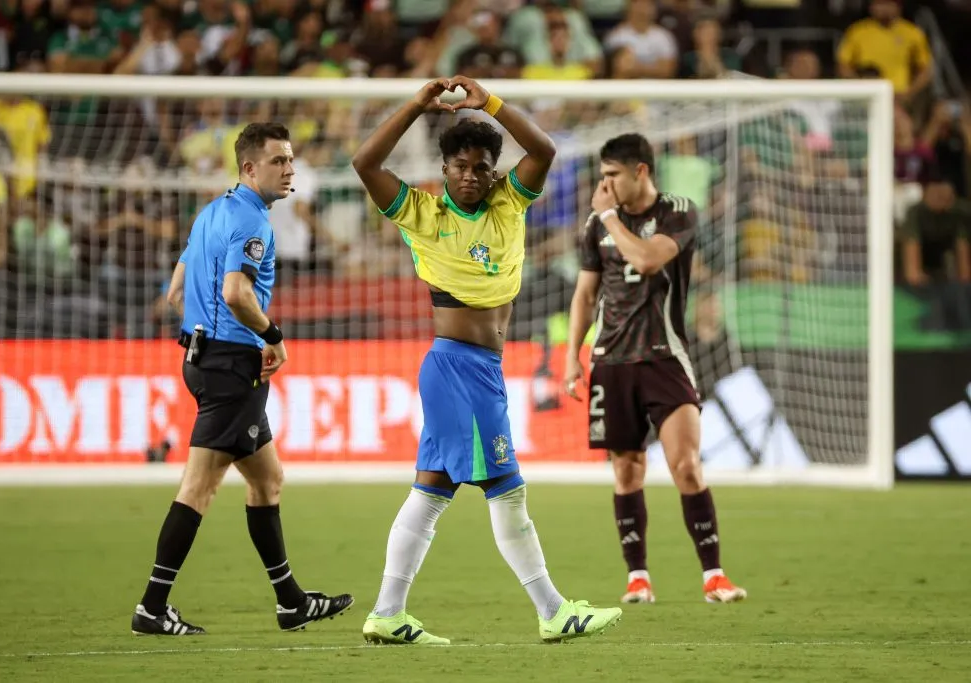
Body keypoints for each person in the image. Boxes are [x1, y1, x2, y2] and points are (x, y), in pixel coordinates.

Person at [351, 76, 623, 645]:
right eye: (459, 166)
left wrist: (491, 104)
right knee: (507, 489)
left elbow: (544, 150)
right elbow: (364, 160)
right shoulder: (421, 213)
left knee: (429, 494)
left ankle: (388, 612)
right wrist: (417, 106)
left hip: (477, 371)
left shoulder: (508, 202)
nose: (470, 176)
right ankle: (552, 610)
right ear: (444, 169)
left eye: (480, 166)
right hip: (458, 368)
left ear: (493, 171)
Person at [131, 122, 353, 636]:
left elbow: (176, 290)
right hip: (233, 367)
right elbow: (236, 292)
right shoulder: (254, 222)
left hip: (200, 357)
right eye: (279, 161)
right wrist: (271, 335)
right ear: (249, 167)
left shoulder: (211, 213)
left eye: (291, 159)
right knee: (200, 488)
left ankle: (291, 602)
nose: (290, 169)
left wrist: (205, 335)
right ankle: (151, 605)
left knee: (266, 479)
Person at [564, 133, 747, 605]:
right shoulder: (594, 226)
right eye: (601, 176)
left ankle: (714, 576)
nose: (603, 186)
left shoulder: (676, 210)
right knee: (628, 473)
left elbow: (647, 260)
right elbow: (585, 295)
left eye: (612, 176)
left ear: (640, 171)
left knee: (686, 465)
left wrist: (607, 217)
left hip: (665, 358)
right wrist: (572, 358)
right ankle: (638, 578)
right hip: (612, 361)